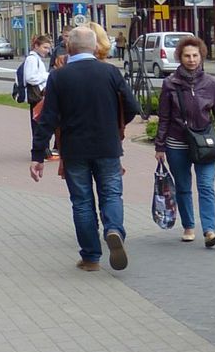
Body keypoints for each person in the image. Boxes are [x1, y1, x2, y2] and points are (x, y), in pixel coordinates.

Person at [30, 26, 141, 272]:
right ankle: (114, 230)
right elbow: (133, 106)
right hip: (108, 146)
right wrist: (115, 127)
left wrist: (38, 155)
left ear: (69, 47)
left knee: (81, 202)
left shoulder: (59, 77)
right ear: (95, 47)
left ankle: (90, 258)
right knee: (111, 194)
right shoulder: (111, 72)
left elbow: (47, 118)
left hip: (74, 149)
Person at [154, 36, 215, 248]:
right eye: (187, 56)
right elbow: (164, 117)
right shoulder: (170, 84)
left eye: (195, 55)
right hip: (177, 143)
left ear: (201, 57)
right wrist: (160, 145)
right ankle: (189, 226)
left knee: (206, 186)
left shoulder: (212, 84)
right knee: (183, 186)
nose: (191, 60)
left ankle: (210, 230)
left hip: (204, 142)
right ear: (180, 58)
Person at [22, 34, 55, 160]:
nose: (47, 51)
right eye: (45, 47)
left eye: (48, 48)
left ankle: (44, 149)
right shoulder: (32, 59)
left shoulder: (36, 59)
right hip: (36, 96)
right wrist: (47, 76)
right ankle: (41, 151)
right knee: (38, 123)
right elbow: (30, 77)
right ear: (36, 46)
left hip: (40, 95)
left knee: (41, 122)